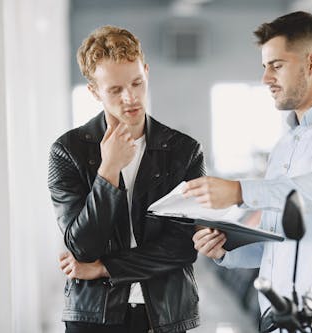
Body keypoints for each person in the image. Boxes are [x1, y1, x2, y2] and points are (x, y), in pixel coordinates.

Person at [184, 11, 312, 333]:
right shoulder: (285, 146)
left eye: (276, 66)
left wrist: (240, 191)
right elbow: (276, 244)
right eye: (264, 67)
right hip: (281, 321)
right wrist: (226, 251)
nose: (266, 78)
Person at [48, 26, 203, 333]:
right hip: (94, 315)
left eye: (137, 82)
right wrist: (108, 171)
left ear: (146, 71)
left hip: (166, 313)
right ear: (94, 91)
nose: (131, 98)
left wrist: (105, 267)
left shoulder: (183, 151)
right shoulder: (68, 152)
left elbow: (184, 245)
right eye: (115, 90)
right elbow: (82, 248)